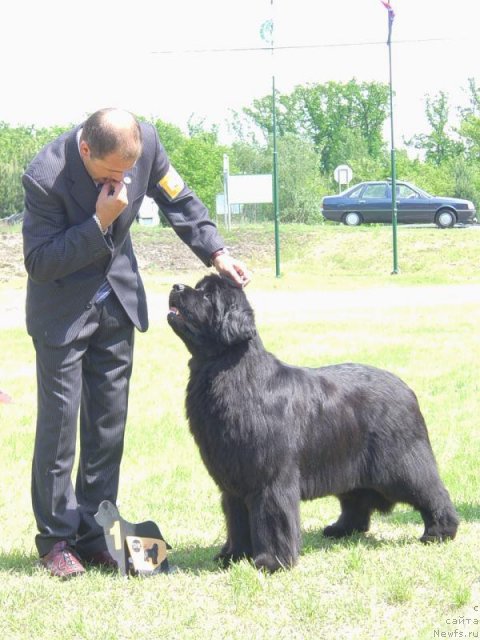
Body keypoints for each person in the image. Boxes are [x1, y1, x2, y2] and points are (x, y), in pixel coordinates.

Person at [22, 107, 250, 578]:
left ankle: (93, 533)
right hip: (62, 313)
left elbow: (179, 200)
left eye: (130, 172)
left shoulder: (144, 144)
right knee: (60, 430)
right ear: (86, 150)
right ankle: (57, 540)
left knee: (108, 428)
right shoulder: (45, 177)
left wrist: (217, 252)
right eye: (112, 174)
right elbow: (40, 261)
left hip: (117, 306)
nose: (125, 182)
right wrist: (99, 222)